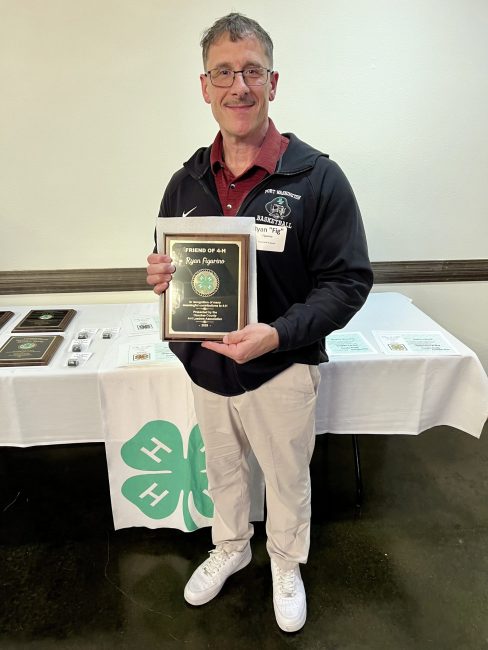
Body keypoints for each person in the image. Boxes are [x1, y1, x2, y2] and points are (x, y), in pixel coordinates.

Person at [146, 12, 373, 633]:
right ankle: (231, 546)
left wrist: (279, 334)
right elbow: (169, 260)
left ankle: (284, 560)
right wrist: (162, 275)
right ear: (205, 86)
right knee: (221, 471)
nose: (238, 86)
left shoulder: (317, 177)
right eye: (223, 72)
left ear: (274, 82)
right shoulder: (186, 180)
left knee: (286, 477)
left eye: (252, 71)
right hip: (208, 367)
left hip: (281, 368)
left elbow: (348, 282)